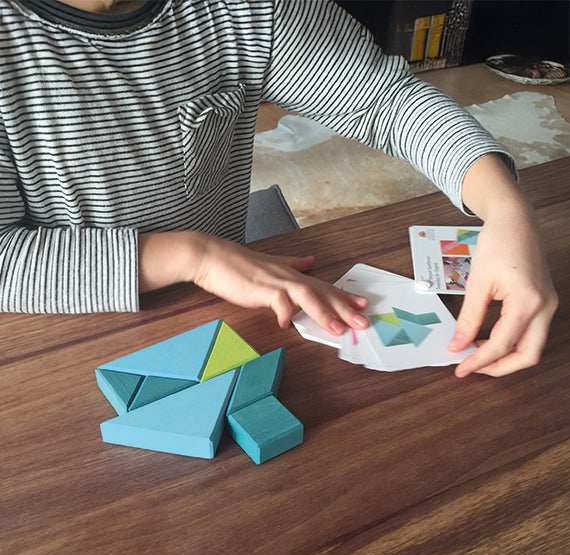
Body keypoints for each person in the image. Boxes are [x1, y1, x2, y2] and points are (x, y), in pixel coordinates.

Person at [0, 0, 557, 378]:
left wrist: (507, 210)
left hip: (231, 309)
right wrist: (195, 253)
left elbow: (390, 101)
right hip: (56, 323)